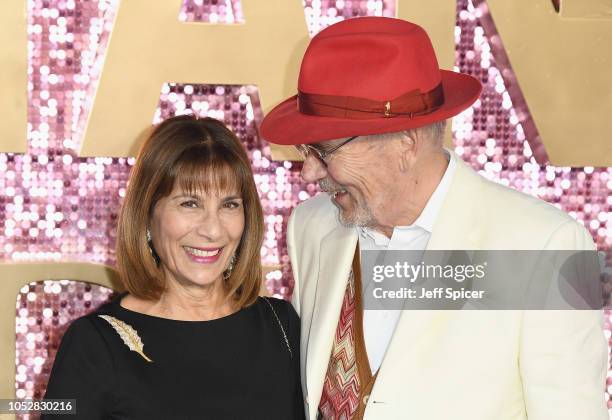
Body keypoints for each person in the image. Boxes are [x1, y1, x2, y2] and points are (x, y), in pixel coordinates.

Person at [260, 17, 608, 420]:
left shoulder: (545, 248)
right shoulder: (312, 225)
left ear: (405, 143)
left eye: (324, 150)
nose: (309, 173)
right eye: (307, 149)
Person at [43, 115, 305, 419]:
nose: (213, 231)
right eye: (189, 204)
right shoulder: (96, 345)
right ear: (147, 215)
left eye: (229, 204)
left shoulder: (281, 325)